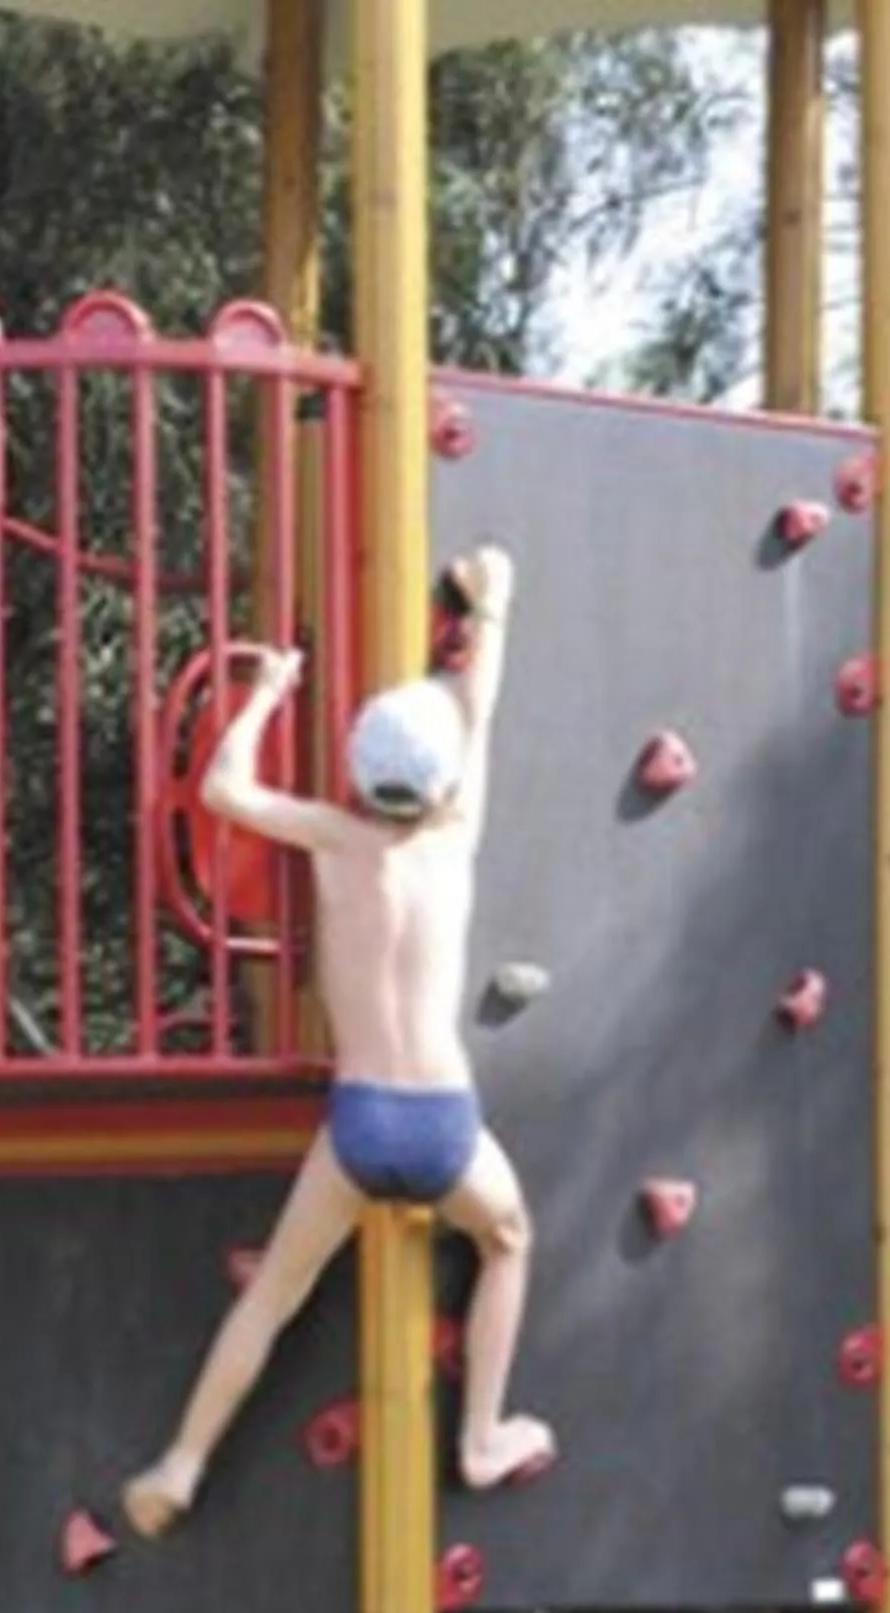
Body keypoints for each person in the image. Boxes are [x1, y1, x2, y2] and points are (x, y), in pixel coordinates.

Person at [121, 546, 556, 1539]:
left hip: (360, 1124)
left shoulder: (330, 839)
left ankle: (182, 1464)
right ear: (440, 784)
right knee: (509, 1239)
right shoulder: (454, 838)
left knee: (275, 1294)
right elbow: (479, 714)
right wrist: (494, 606)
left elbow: (225, 790)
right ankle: (482, 1435)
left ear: (360, 773)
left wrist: (269, 692)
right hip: (445, 1121)